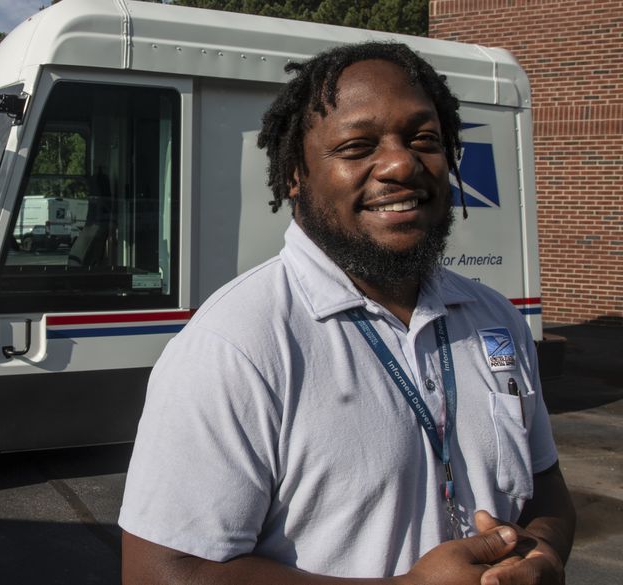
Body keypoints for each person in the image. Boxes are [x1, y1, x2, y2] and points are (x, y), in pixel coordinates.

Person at [119, 42, 575, 584]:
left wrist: (542, 551)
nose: (401, 163)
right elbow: (162, 573)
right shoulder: (235, 345)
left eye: (424, 139)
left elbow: (546, 490)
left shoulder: (494, 318)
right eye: (358, 146)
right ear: (295, 174)